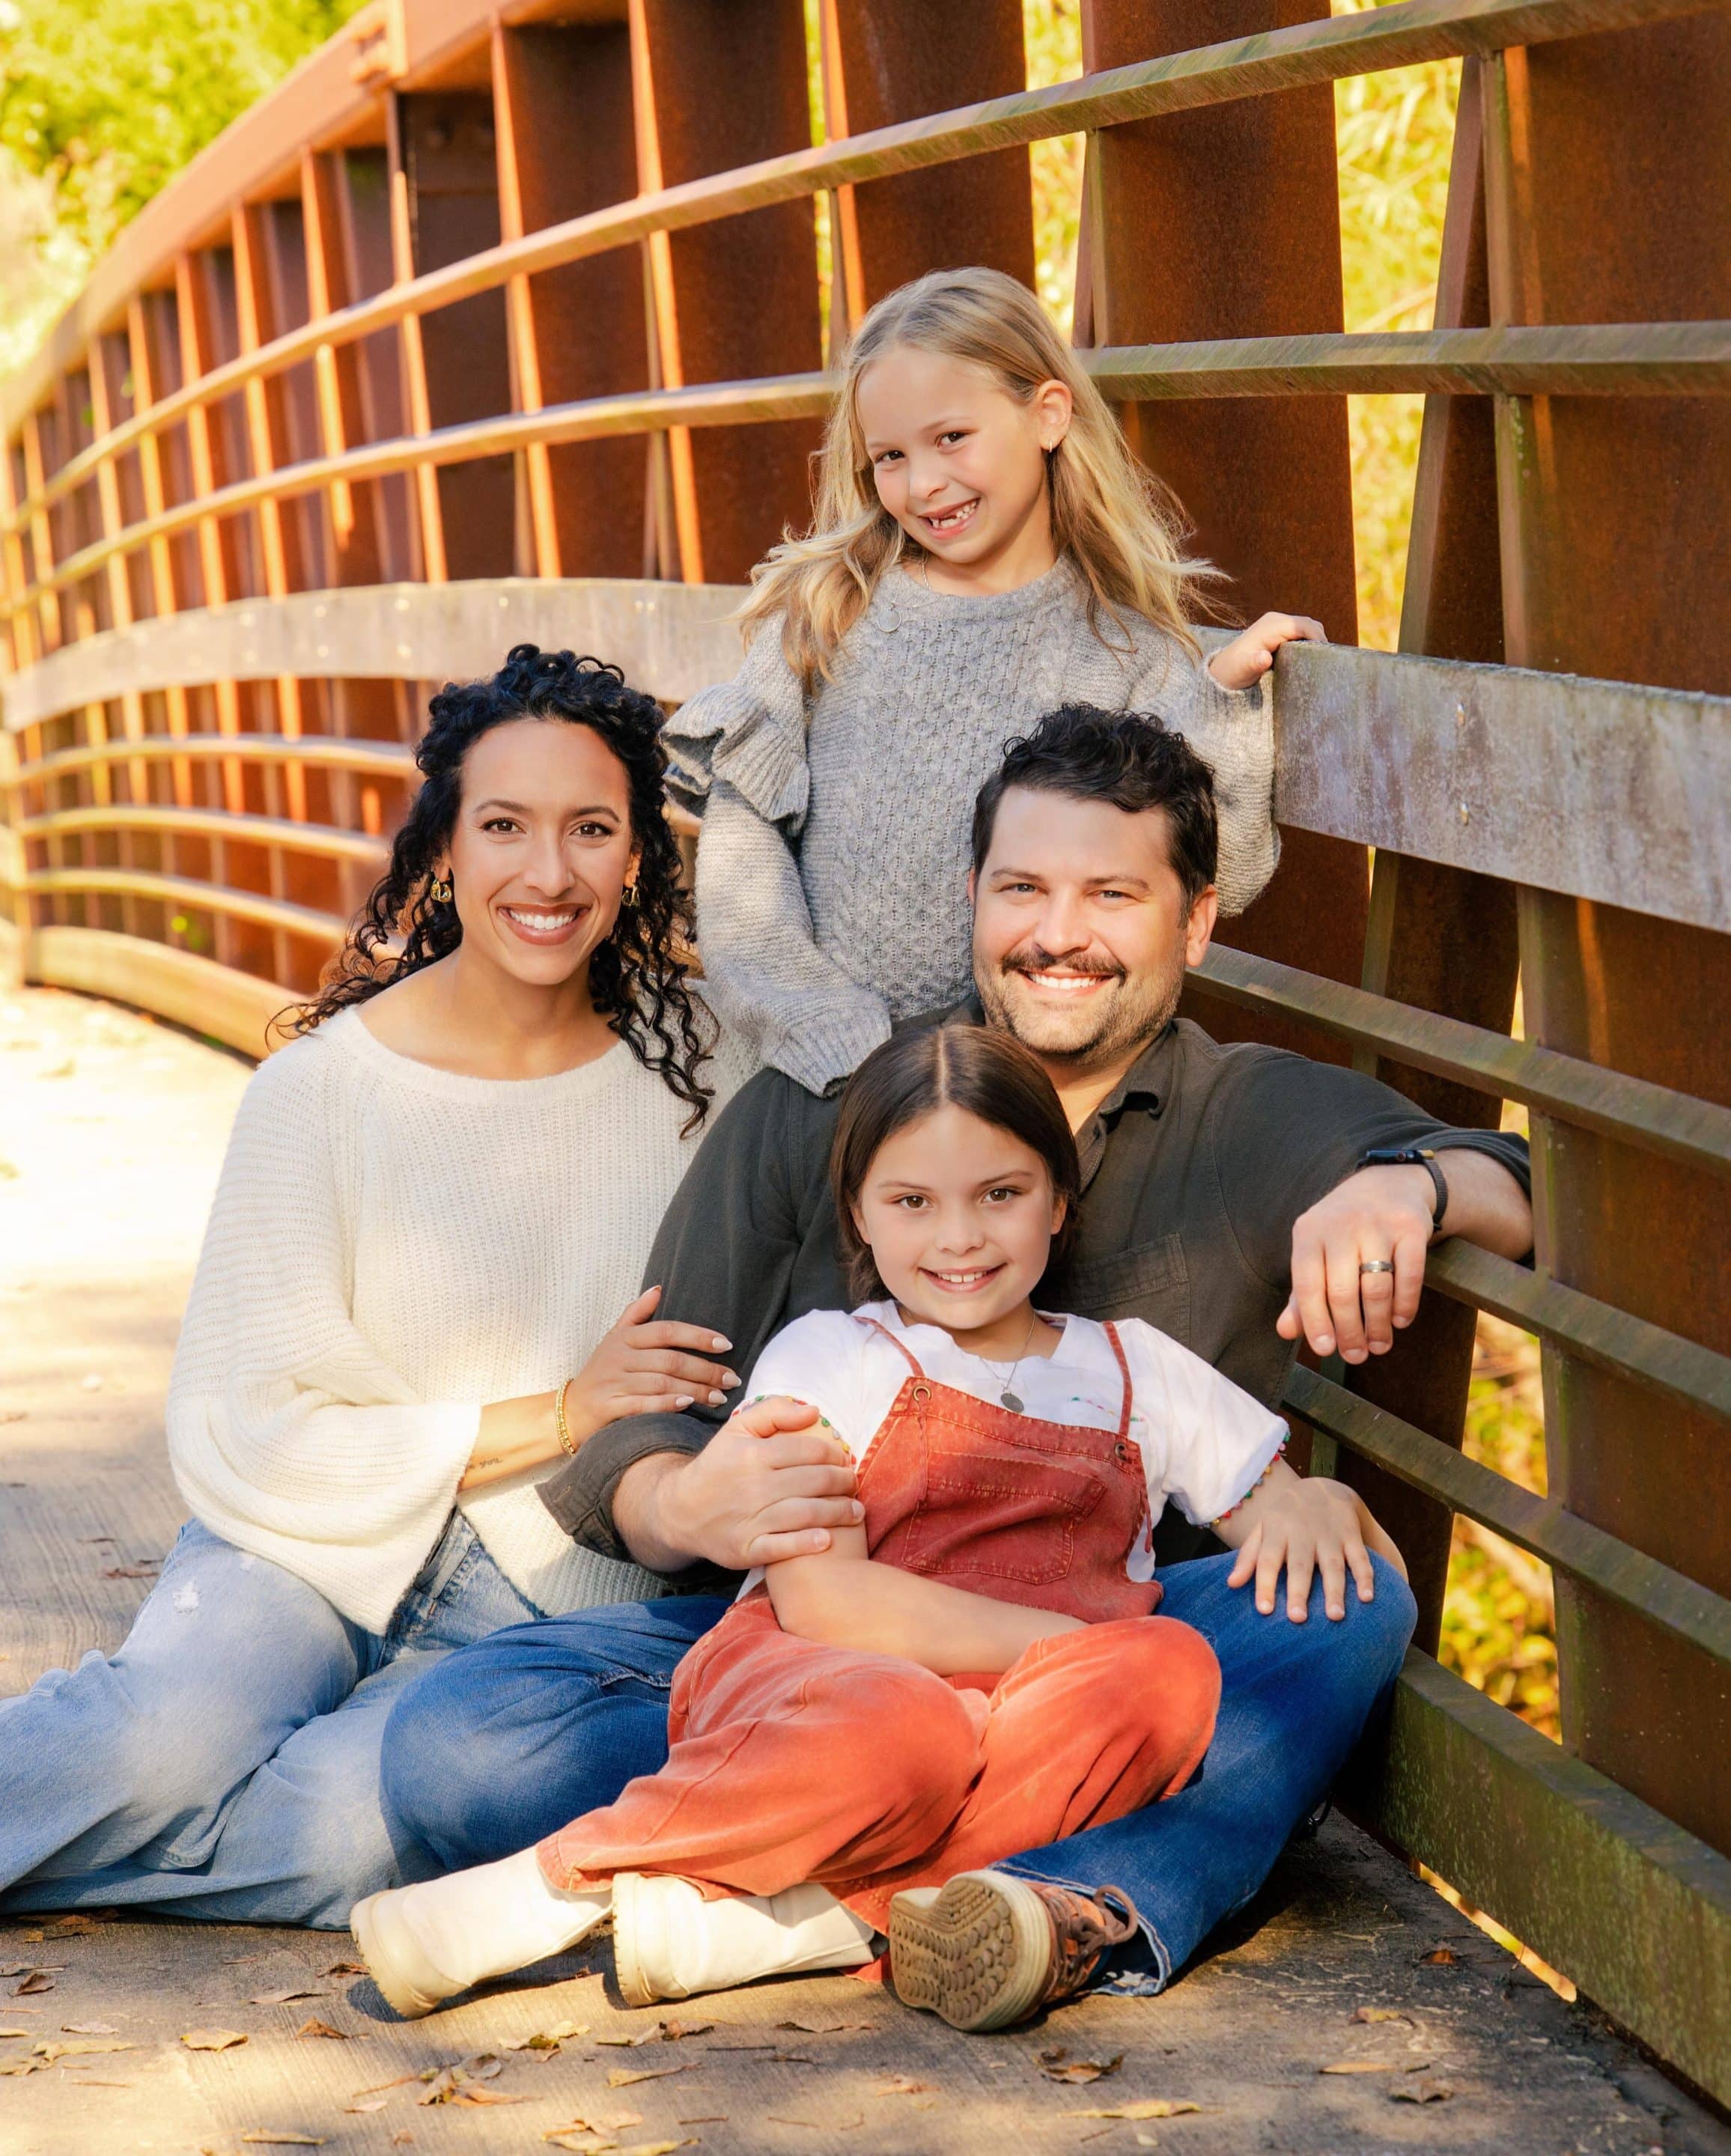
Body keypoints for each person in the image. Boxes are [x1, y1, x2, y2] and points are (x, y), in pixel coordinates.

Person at [380, 705, 1533, 2012]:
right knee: (454, 1752)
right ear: (971, 897)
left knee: (1344, 1601)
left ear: (1194, 922)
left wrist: (1408, 1193)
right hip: (820, 1647)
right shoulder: (836, 1093)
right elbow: (645, 1415)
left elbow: (1517, 1184)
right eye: (1022, 888)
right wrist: (676, 1501)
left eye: (1113, 893)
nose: (1057, 932)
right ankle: (896, 1885)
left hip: (1100, 1663)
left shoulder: (1252, 1112)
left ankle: (1068, 1901)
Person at [355, 1023, 1375, 2029]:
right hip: (826, 1674)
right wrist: (1071, 1648)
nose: (960, 1238)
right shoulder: (833, 1353)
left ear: (1058, 1203)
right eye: (913, 1203)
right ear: (861, 1214)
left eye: (1001, 1196)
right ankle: (553, 1889)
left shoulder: (1135, 1368)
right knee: (913, 1728)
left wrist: (1310, 1501)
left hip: (1032, 1721)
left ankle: (808, 1929)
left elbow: (1270, 1508)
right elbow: (824, 1596)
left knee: (1171, 1673)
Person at [0, 646, 749, 1928]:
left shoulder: (708, 1083)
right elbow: (249, 1422)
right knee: (163, 1752)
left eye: (590, 830)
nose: (548, 874)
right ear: (445, 849)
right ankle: (138, 1782)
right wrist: (563, 1411)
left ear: (637, 858)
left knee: (354, 1838)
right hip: (299, 1542)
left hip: (553, 1599)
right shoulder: (321, 1090)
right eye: (504, 826)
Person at [668, 264, 1324, 1096]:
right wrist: (824, 1033)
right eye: (890, 458)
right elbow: (740, 866)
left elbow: (1218, 880)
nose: (924, 484)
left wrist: (1221, 703)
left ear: (1048, 415)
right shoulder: (824, 614)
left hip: (999, 1104)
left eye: (951, 439)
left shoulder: (1128, 655)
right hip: (801, 1077)